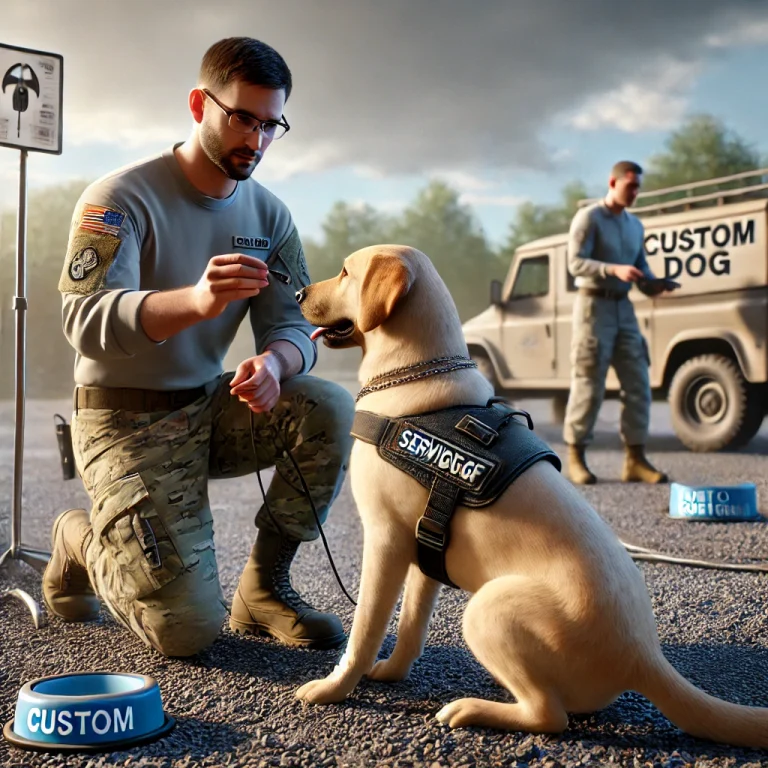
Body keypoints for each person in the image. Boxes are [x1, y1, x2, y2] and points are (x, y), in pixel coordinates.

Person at [43, 37, 355, 657]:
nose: (257, 140)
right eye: (242, 118)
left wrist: (277, 362)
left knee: (330, 407)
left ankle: (264, 590)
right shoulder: (117, 200)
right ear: (198, 104)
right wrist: (196, 302)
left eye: (272, 125)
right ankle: (77, 538)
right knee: (184, 631)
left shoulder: (272, 217)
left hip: (206, 407)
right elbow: (83, 319)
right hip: (119, 422)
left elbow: (295, 324)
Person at [563, 160, 669, 486]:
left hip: (624, 308)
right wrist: (612, 269)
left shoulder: (635, 226)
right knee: (589, 382)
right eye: (629, 186)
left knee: (638, 382)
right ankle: (576, 456)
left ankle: (635, 459)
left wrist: (655, 283)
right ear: (613, 182)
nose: (634, 192)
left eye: (638, 187)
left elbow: (641, 267)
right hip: (593, 307)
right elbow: (575, 262)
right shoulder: (589, 217)